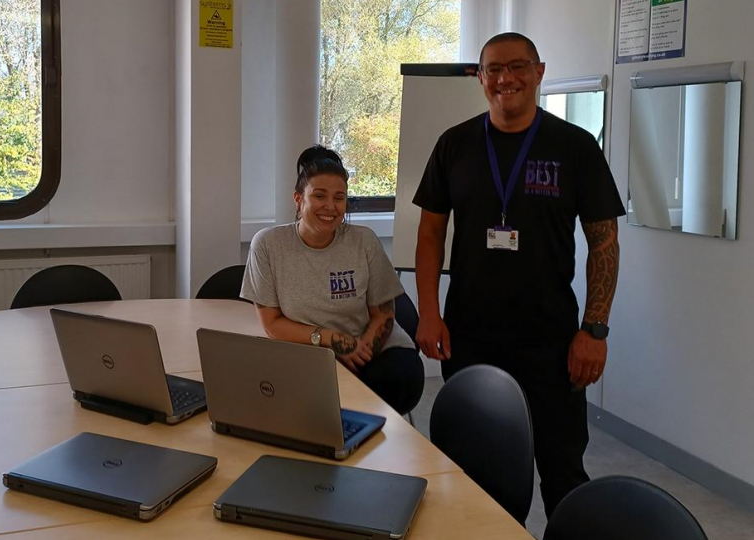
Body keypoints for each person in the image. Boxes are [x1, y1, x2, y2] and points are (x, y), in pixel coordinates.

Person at [413, 32, 625, 517]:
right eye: (494, 69)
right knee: (473, 470)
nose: (506, 78)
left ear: (539, 71)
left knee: (563, 472)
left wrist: (594, 330)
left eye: (518, 67)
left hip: (551, 343)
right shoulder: (455, 144)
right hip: (471, 338)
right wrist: (428, 312)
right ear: (480, 76)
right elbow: (429, 237)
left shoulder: (575, 147)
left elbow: (604, 243)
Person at [241, 145, 425, 415]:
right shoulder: (268, 245)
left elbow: (384, 314)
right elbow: (272, 324)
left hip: (374, 351)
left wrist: (360, 353)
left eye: (339, 197)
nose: (330, 206)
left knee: (381, 388)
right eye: (319, 196)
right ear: (298, 199)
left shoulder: (363, 241)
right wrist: (331, 340)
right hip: (311, 351)